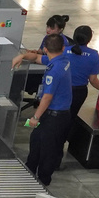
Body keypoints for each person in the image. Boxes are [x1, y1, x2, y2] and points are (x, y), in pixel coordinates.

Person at [23, 35, 73, 187]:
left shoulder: (54, 70)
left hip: (54, 116)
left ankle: (43, 181)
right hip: (57, 114)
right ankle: (30, 171)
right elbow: (37, 58)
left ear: (45, 49)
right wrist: (22, 56)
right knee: (36, 141)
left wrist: (35, 117)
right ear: (62, 48)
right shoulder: (62, 59)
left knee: (47, 150)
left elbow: (47, 97)